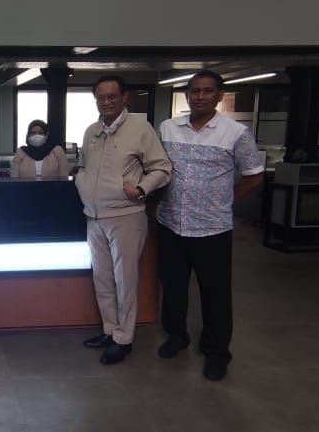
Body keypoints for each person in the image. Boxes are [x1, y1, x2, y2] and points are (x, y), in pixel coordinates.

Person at [156, 70, 265, 381]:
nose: (200, 96)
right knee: (173, 287)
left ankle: (216, 351)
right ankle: (177, 335)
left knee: (215, 293)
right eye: (195, 91)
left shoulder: (235, 132)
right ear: (187, 95)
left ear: (219, 96)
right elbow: (156, 168)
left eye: (207, 91)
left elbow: (254, 174)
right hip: (171, 223)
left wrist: (227, 199)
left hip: (212, 228)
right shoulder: (168, 128)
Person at [75, 75, 172, 365]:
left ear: (124, 97)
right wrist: (81, 180)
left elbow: (162, 168)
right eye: (101, 97)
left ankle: (124, 339)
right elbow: (83, 165)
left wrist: (141, 189)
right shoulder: (91, 131)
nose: (106, 102)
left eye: (112, 96)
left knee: (124, 280)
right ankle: (109, 330)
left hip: (126, 216)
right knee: (102, 278)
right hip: (94, 217)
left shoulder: (140, 129)